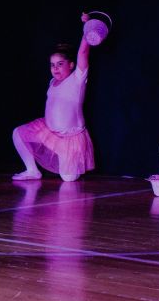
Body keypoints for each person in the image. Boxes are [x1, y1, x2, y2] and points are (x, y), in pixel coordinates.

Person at [12, 15, 96, 182]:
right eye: (52, 65)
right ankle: (32, 171)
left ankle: (71, 162)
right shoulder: (52, 82)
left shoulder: (77, 80)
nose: (55, 68)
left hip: (70, 139)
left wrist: (86, 28)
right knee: (18, 133)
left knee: (68, 178)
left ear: (71, 65)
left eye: (60, 64)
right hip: (49, 132)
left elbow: (83, 52)